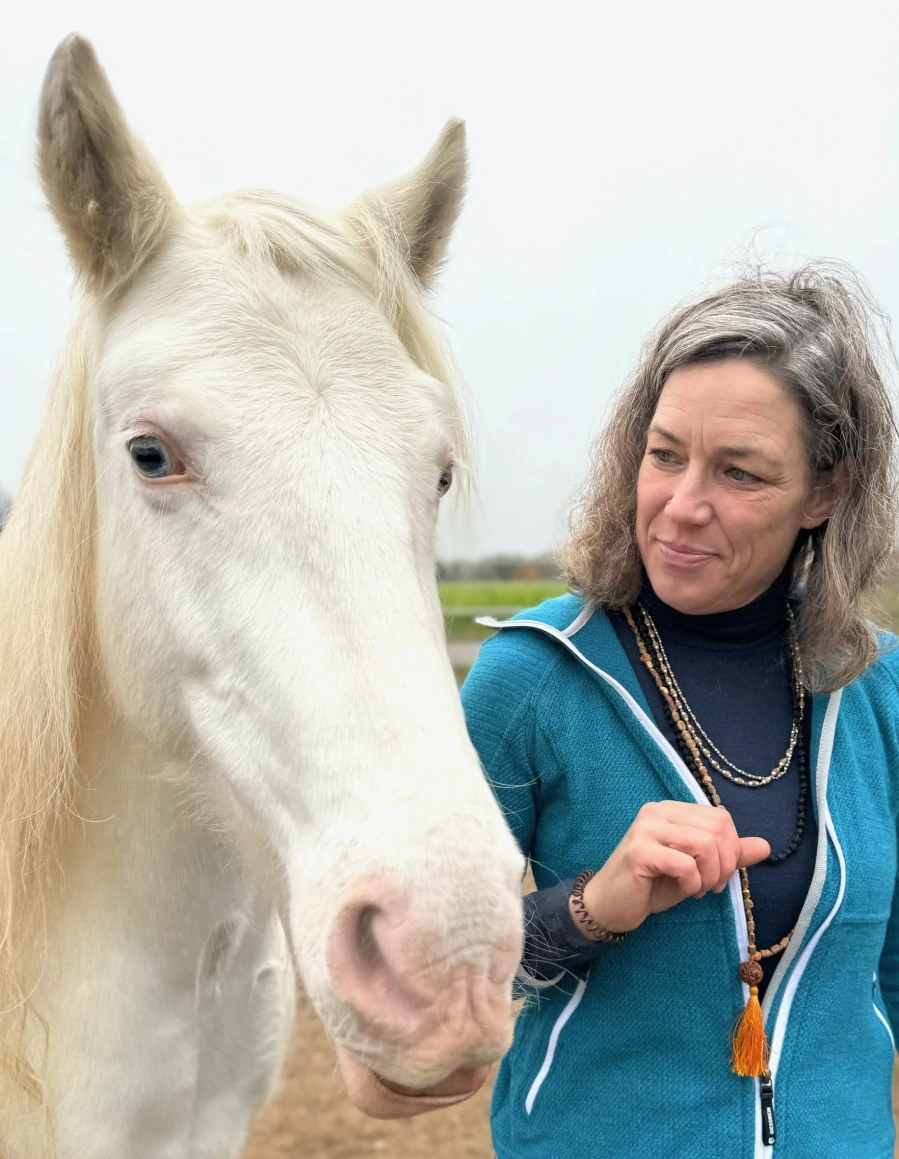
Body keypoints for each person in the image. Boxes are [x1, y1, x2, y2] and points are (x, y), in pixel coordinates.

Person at [461, 264, 899, 1159]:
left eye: (739, 473)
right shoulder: (530, 678)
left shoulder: (878, 688)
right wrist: (592, 905)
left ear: (824, 493)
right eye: (664, 455)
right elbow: (431, 963)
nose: (681, 505)